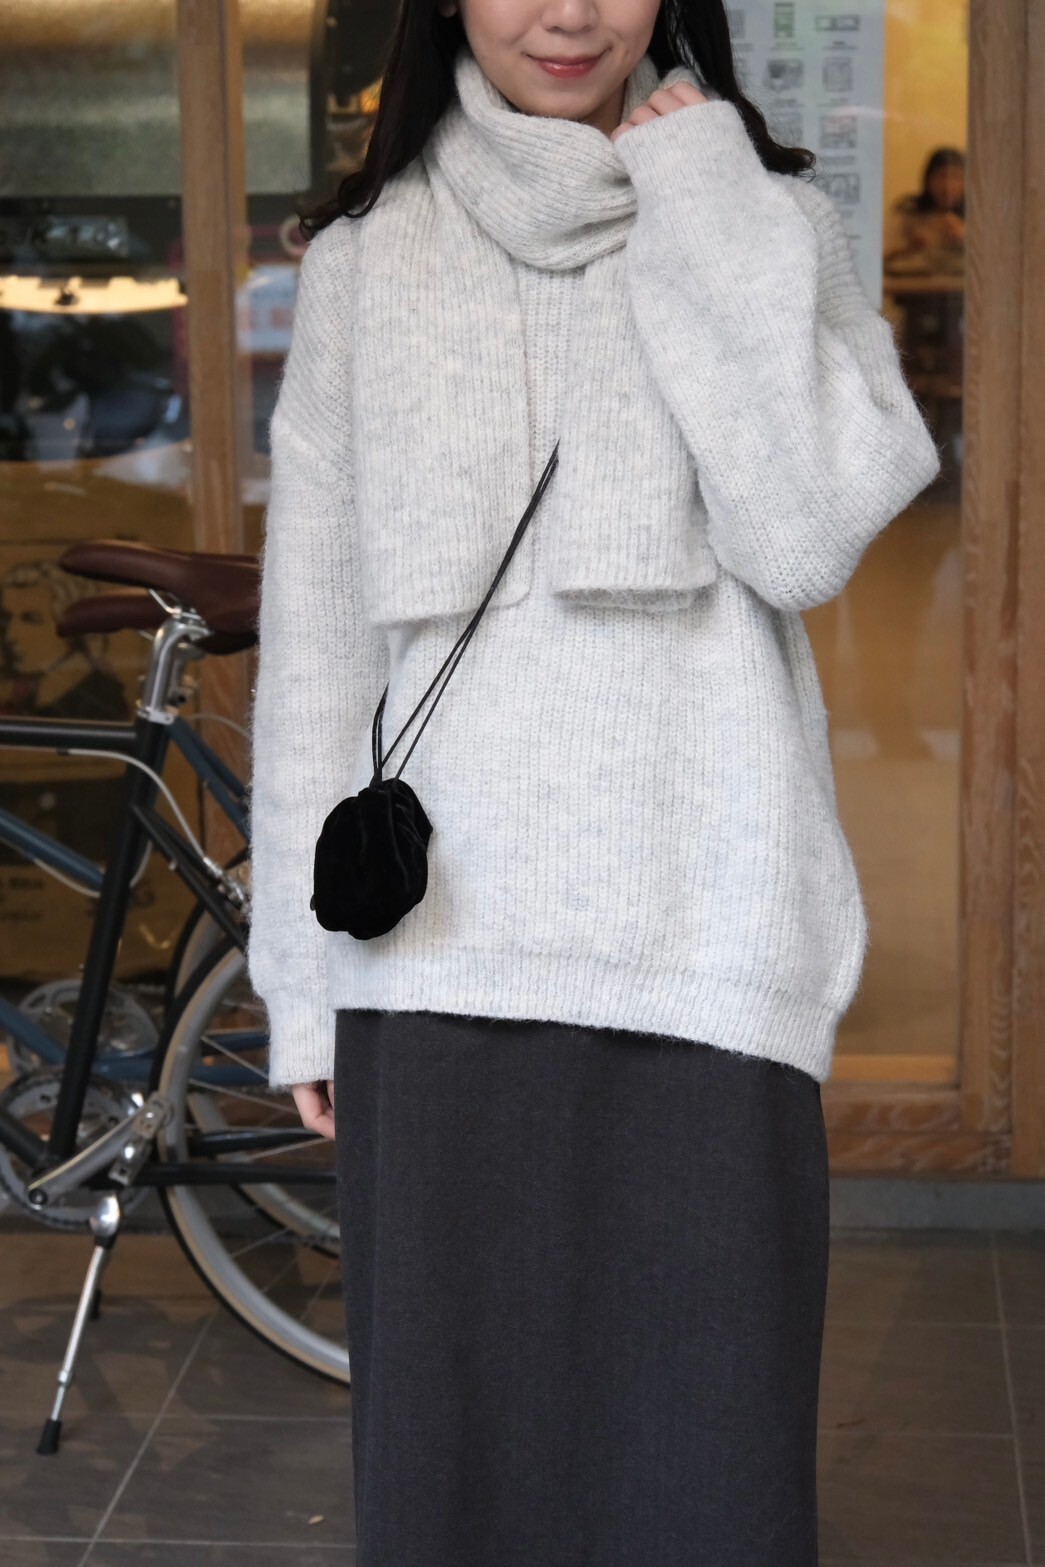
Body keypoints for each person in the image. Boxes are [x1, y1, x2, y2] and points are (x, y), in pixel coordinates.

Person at [246, 1, 941, 1561]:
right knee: (458, 1480)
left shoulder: (764, 219)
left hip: (703, 941)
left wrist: (700, 196)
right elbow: (320, 645)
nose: (567, 14)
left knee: (703, 1472)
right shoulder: (363, 258)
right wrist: (298, 978)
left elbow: (803, 538)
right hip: (439, 954)